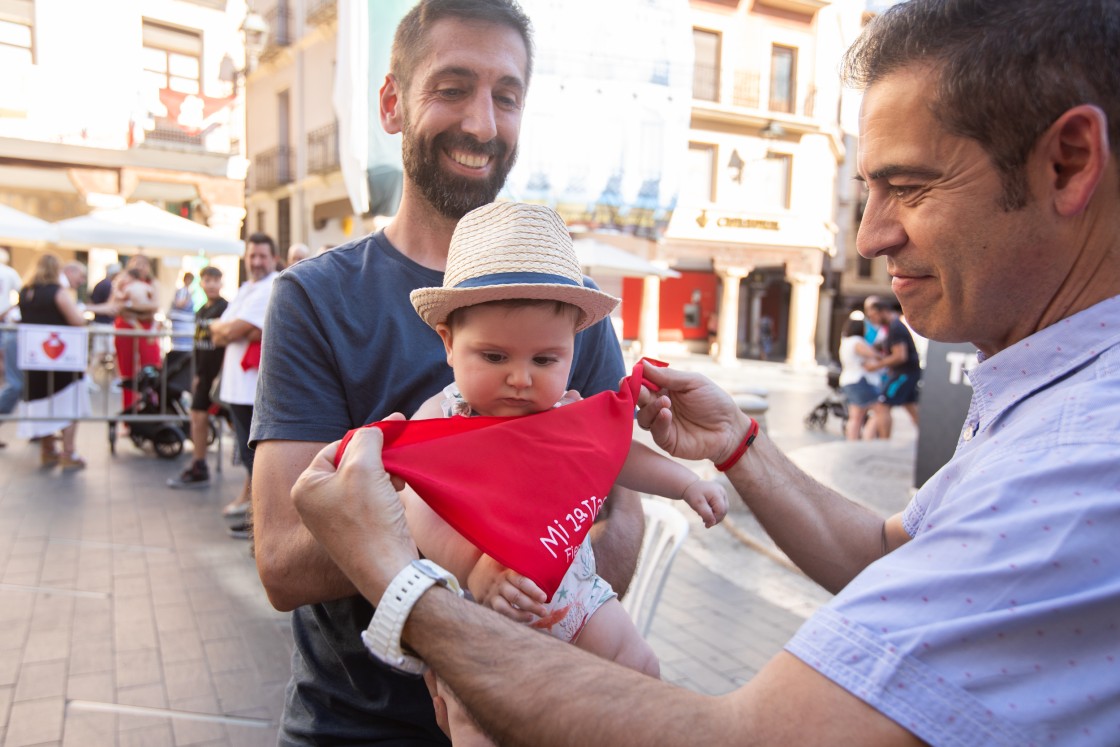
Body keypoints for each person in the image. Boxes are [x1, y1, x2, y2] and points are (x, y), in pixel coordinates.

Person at [288, 0, 1120, 743]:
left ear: (1070, 161)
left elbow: (753, 734)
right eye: (868, 189)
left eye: (908, 186)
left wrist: (406, 586)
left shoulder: (1080, 461)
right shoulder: (1047, 400)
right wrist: (736, 446)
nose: (868, 236)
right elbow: (883, 550)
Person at [249, 2, 645, 743]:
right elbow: (280, 561)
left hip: (539, 710)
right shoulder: (316, 298)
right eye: (453, 87)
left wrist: (553, 591)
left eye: (507, 95)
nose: (482, 124)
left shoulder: (566, 302)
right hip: (355, 726)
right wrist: (460, 497)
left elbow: (622, 515)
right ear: (393, 103)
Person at [400, 203, 727, 742]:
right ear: (447, 344)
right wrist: (477, 571)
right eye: (495, 356)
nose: (521, 379)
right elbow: (420, 506)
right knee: (474, 719)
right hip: (480, 612)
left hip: (574, 593)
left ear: (574, 350)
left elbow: (618, 455)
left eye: (545, 360)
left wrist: (687, 482)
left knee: (639, 668)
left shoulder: (566, 416)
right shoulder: (443, 421)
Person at [16, 254, 118, 469]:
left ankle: (48, 449)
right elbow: (77, 320)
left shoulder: (26, 292)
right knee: (70, 403)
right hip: (62, 361)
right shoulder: (57, 292)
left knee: (43, 404)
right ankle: (69, 452)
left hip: (36, 360)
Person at [210, 234, 278, 537]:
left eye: (262, 256)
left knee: (257, 459)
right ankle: (255, 516)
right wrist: (230, 330)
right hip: (238, 388)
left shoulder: (272, 287)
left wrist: (231, 330)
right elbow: (219, 330)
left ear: (273, 258)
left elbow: (237, 329)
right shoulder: (246, 289)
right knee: (247, 454)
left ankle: (260, 525)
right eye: (252, 256)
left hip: (255, 388)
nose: (257, 262)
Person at [167, 266, 228, 490]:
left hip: (219, 375)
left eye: (215, 280)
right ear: (201, 283)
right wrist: (196, 374)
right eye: (207, 280)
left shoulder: (225, 308)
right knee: (197, 416)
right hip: (203, 375)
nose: (211, 284)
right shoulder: (201, 311)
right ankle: (198, 463)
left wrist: (220, 375)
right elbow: (198, 346)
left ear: (221, 283)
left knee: (229, 420)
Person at [864, 300, 921, 439]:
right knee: (911, 407)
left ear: (882, 311)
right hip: (906, 372)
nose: (872, 320)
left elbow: (900, 356)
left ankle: (884, 442)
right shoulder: (893, 327)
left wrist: (876, 366)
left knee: (882, 405)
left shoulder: (895, 327)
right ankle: (928, 437)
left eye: (873, 316)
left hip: (904, 373)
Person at [112, 255, 160, 411]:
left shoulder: (153, 284)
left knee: (151, 369)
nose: (140, 267)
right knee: (127, 373)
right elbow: (116, 305)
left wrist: (134, 311)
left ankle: (151, 411)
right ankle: (128, 414)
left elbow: (154, 307)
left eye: (143, 264)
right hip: (126, 329)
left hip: (145, 330)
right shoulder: (122, 283)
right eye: (136, 264)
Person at [837, 316, 880, 440]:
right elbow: (873, 355)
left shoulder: (846, 341)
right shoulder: (857, 341)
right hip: (858, 380)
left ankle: (852, 441)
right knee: (880, 411)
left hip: (847, 380)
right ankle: (867, 439)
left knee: (855, 416)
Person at [0, 246, 23, 430]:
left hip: (6, 324)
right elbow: (21, 294)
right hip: (6, 323)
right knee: (14, 382)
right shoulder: (9, 273)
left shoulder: (8, 273)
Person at [164, 272, 196, 393]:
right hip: (182, 329)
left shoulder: (185, 291)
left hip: (183, 327)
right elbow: (180, 303)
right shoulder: (183, 291)